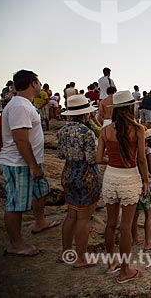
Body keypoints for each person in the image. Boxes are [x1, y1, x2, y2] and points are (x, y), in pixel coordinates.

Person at [0, 70, 60, 256]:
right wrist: (32, 165)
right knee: (16, 204)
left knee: (41, 192)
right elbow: (20, 139)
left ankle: (40, 222)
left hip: (30, 161)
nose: (40, 85)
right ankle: (16, 244)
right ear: (32, 83)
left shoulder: (25, 105)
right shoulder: (20, 107)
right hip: (18, 163)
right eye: (38, 82)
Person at [96, 90, 149, 283]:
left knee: (110, 223)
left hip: (111, 176)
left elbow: (98, 158)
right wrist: (146, 180)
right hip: (129, 177)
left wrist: (113, 159)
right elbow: (142, 159)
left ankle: (112, 264)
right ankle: (125, 270)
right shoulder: (138, 129)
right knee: (126, 227)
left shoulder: (105, 131)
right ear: (130, 107)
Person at [57, 95, 102, 267]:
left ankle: (66, 253)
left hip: (68, 174)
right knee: (83, 219)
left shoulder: (62, 131)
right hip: (86, 177)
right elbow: (92, 158)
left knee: (71, 215)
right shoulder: (87, 133)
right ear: (85, 114)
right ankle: (81, 258)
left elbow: (60, 154)